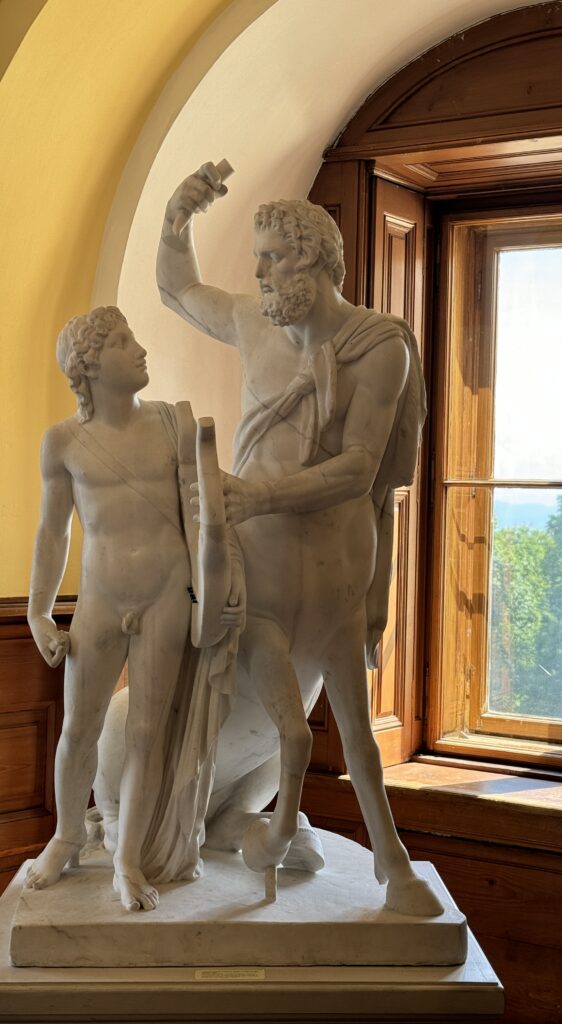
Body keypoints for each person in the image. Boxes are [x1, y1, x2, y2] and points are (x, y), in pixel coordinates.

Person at [157, 164, 442, 915]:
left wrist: (259, 493)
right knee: (178, 613)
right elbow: (180, 291)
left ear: (315, 258)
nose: (259, 273)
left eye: (273, 257)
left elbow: (359, 469)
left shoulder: (379, 345)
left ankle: (392, 863)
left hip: (328, 551)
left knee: (356, 721)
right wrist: (173, 223)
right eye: (258, 260)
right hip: (254, 553)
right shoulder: (254, 321)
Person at [26, 307, 241, 911]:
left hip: (166, 596)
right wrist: (39, 611)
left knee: (148, 733)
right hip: (99, 598)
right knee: (78, 730)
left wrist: (207, 601)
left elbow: (205, 523)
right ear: (90, 363)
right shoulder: (63, 442)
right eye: (124, 342)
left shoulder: (173, 425)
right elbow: (53, 533)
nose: (140, 349)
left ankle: (128, 859)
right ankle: (68, 836)